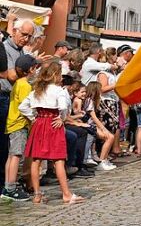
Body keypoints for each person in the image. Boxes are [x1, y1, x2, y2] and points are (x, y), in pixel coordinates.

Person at [20, 60, 83, 204]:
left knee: (36, 160)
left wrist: (32, 117)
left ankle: (37, 194)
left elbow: (23, 107)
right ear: (55, 74)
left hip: (40, 123)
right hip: (53, 124)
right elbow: (63, 107)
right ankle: (66, 194)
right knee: (58, 160)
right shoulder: (58, 90)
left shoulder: (37, 90)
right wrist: (61, 118)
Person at [2, 54, 37, 201]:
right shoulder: (24, 85)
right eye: (35, 68)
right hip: (19, 124)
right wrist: (34, 118)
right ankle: (10, 188)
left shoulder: (18, 82)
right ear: (30, 69)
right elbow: (25, 106)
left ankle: (8, 185)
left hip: (14, 123)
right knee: (16, 155)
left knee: (12, 155)